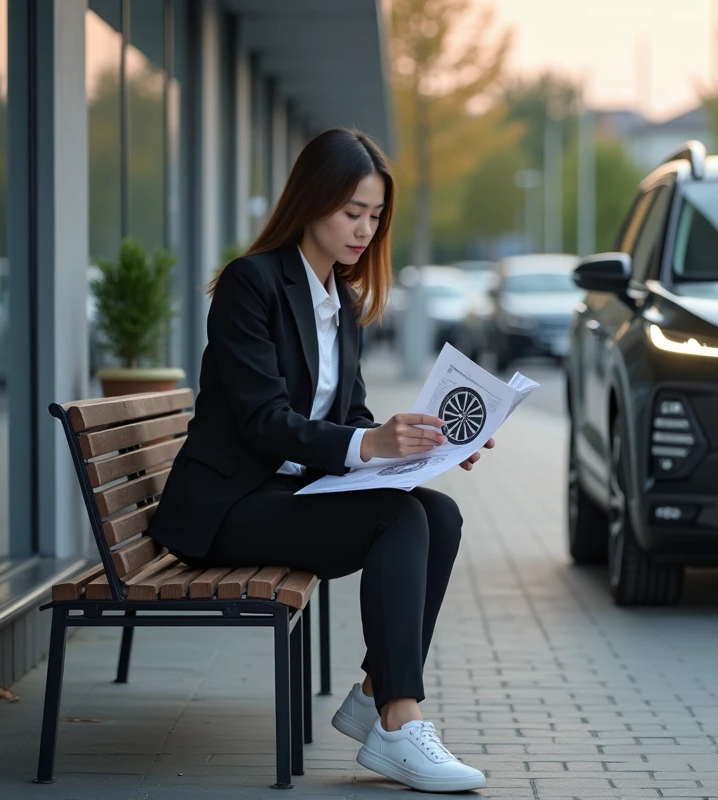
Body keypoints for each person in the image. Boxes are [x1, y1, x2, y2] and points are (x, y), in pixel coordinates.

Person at [148, 127, 489, 793]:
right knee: (398, 519)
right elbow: (264, 422)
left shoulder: (344, 302)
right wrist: (371, 445)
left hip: (293, 497)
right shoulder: (253, 285)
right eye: (351, 212)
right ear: (311, 203)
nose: (364, 229)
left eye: (375, 215)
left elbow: (352, 418)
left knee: (438, 514)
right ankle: (397, 719)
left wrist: (429, 443)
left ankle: (374, 692)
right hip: (228, 508)